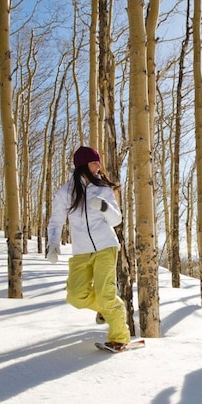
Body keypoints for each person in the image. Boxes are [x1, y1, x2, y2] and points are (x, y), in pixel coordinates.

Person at [46, 146, 130, 349]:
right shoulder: (66, 192)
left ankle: (119, 336)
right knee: (75, 296)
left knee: (105, 293)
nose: (99, 165)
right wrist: (53, 243)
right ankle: (107, 308)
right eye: (95, 161)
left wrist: (104, 207)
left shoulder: (103, 188)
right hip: (81, 250)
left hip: (106, 246)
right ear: (83, 164)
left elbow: (116, 220)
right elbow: (56, 220)